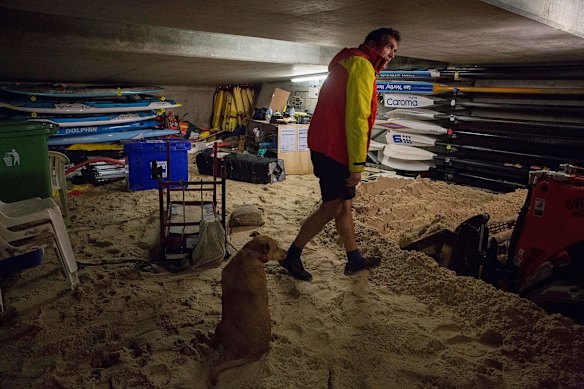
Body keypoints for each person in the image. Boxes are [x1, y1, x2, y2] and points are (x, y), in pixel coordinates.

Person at [280, 27, 401, 281]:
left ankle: (354, 259)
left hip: (327, 144)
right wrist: (357, 165)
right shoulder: (362, 65)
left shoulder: (348, 62)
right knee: (332, 207)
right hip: (334, 148)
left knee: (344, 204)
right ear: (373, 44)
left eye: (395, 50)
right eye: (389, 46)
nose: (391, 54)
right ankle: (292, 255)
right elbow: (358, 119)